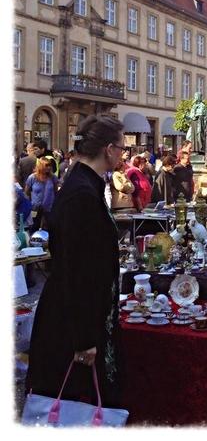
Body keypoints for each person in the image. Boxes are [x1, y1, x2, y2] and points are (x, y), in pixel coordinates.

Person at [26, 115, 125, 407]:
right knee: (72, 407)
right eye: (121, 148)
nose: (122, 155)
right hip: (71, 326)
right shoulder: (81, 193)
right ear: (108, 149)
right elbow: (76, 270)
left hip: (82, 316)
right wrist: (84, 340)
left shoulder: (85, 184)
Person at [24, 157, 59, 233]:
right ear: (40, 166)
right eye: (46, 165)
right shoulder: (32, 177)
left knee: (48, 229)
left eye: (50, 165)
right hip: (35, 208)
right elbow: (26, 193)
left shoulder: (53, 178)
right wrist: (30, 204)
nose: (49, 167)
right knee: (33, 228)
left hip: (49, 209)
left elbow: (56, 193)